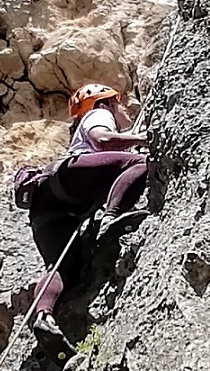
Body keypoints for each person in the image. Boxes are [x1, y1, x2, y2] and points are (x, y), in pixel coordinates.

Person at [25, 83, 150, 338]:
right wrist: (144, 139)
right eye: (120, 103)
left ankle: (44, 316)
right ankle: (111, 218)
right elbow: (102, 140)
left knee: (63, 266)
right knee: (141, 162)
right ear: (105, 103)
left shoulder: (83, 129)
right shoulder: (99, 113)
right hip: (68, 180)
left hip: (48, 206)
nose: (125, 109)